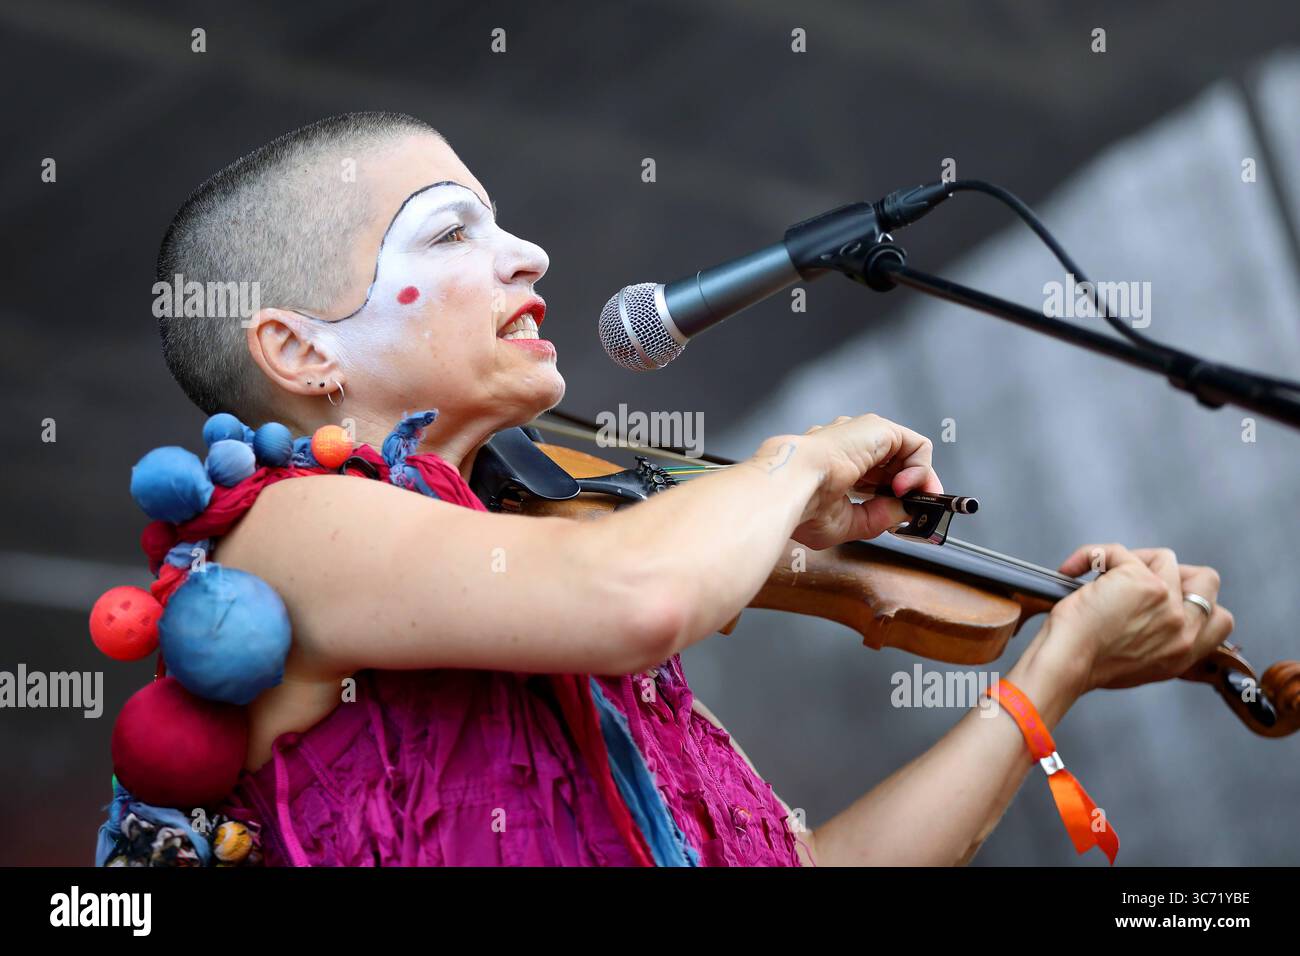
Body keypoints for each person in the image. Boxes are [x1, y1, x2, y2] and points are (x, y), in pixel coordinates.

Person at [141, 111, 1233, 866]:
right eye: (451, 230)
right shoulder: (289, 530)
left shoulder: (536, 584)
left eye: (498, 222)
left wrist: (1058, 667)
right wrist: (798, 461)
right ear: (296, 349)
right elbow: (640, 595)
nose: (526, 255)